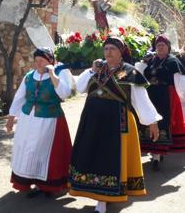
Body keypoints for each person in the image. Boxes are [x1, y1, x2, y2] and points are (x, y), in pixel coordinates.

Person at [69, 37, 161, 213]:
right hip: (91, 123)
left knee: (109, 160)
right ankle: (98, 195)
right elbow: (79, 88)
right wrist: (90, 70)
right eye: (106, 49)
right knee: (91, 156)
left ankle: (102, 202)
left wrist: (152, 122)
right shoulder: (97, 70)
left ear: (121, 52)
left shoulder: (129, 72)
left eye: (112, 49)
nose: (108, 52)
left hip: (116, 124)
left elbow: (140, 99)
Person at [6, 47, 73, 196]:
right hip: (27, 120)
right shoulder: (29, 76)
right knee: (27, 150)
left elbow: (65, 93)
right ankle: (30, 182)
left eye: (41, 61)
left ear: (50, 61)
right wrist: (11, 118)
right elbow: (19, 97)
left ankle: (48, 185)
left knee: (44, 152)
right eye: (36, 61)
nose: (38, 64)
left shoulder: (60, 74)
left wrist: (52, 73)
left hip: (49, 120)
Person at [137, 35, 185, 171]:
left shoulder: (173, 61)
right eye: (158, 46)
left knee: (163, 123)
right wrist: (143, 62)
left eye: (163, 45)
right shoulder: (151, 60)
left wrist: (181, 97)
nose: (160, 48)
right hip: (150, 95)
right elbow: (139, 74)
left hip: (166, 96)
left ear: (168, 47)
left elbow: (180, 82)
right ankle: (155, 152)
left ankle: (157, 155)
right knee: (149, 121)